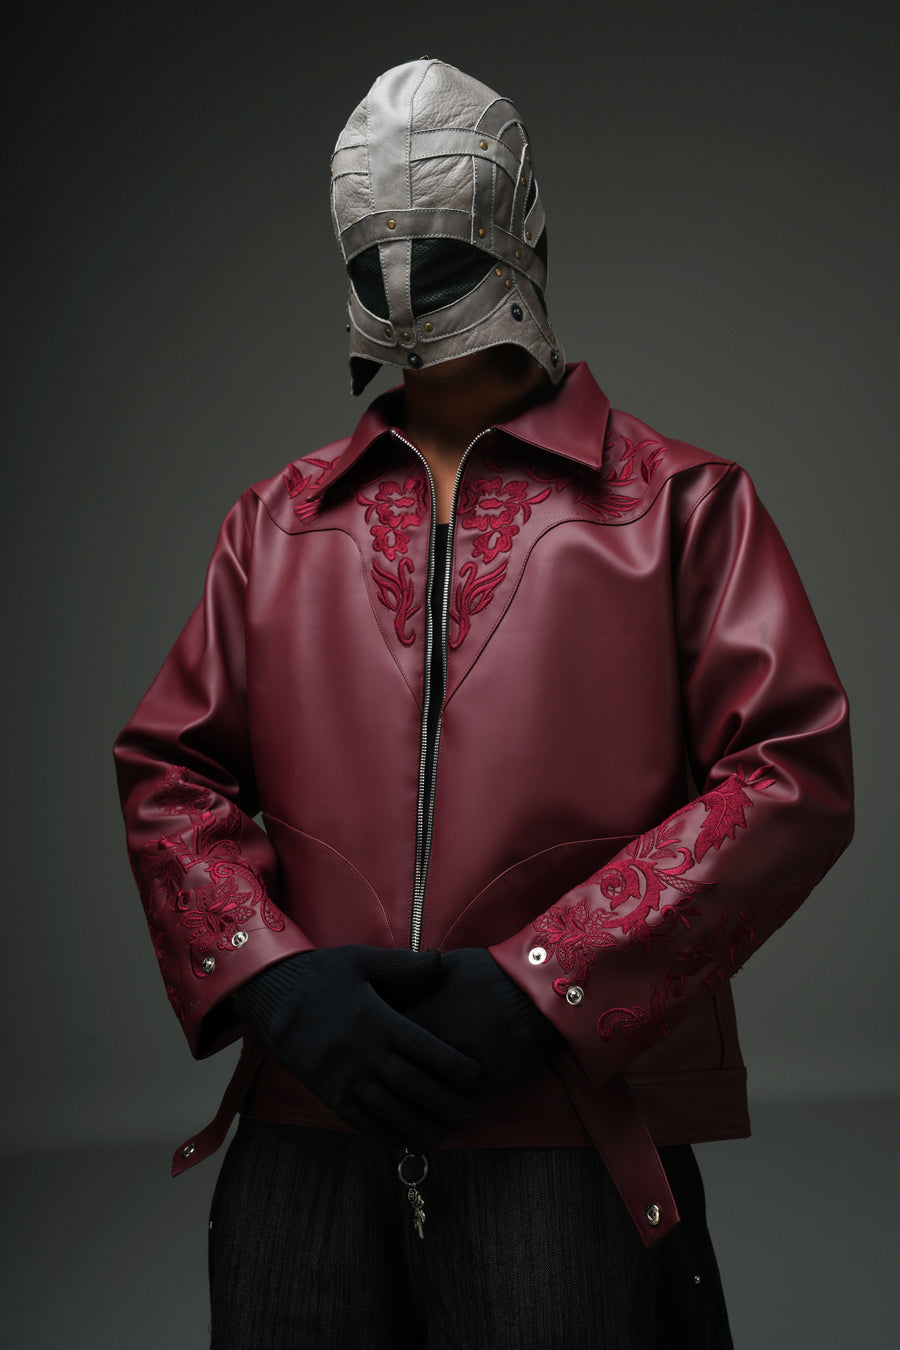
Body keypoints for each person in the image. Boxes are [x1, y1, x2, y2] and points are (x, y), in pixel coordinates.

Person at [114, 58, 854, 1348]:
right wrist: (278, 986)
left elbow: (792, 774)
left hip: (564, 1127)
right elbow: (171, 772)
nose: (406, 288)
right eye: (377, 256)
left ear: (525, 237)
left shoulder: (684, 508)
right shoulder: (274, 524)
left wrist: (544, 985)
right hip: (306, 1122)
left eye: (439, 253)